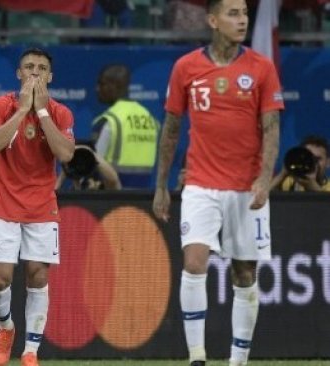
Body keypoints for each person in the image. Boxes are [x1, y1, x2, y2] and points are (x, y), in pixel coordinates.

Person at [151, 1, 283, 365]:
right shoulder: (186, 68)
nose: (242, 20)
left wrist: (264, 177)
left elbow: (271, 128)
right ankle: (197, 357)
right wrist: (162, 184)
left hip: (246, 187)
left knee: (245, 273)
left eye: (244, 13)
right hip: (200, 183)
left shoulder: (261, 67)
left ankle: (237, 362)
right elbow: (172, 127)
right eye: (233, 14)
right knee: (194, 262)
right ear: (212, 20)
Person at [0, 47, 75, 366]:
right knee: (0, 278)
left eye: (42, 68)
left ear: (50, 77)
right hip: (4, 202)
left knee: (37, 276)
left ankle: (31, 351)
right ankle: (5, 327)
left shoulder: (61, 112)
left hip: (41, 205)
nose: (35, 73)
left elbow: (66, 155)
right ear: (19, 74)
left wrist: (43, 112)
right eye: (29, 67)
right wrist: (22, 111)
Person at [91, 63, 159, 189]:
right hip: (144, 199)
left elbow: (93, 164)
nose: (97, 88)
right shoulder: (149, 118)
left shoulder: (109, 120)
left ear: (114, 86)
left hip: (111, 200)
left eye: (102, 84)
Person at [55, 142, 122, 190]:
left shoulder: (102, 187)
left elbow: (114, 180)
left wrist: (91, 153)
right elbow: (51, 198)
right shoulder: (70, 190)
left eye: (85, 158)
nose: (80, 162)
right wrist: (64, 172)